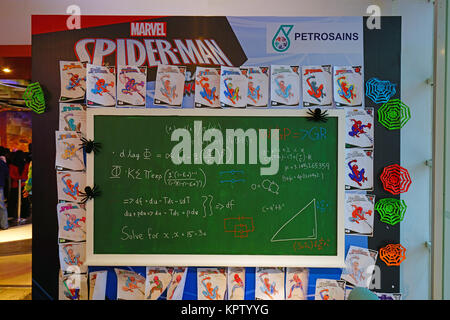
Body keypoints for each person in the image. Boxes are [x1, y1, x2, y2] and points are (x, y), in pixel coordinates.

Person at [8, 150, 30, 222]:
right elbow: (28, 174)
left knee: (14, 200)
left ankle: (12, 215)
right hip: (23, 184)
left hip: (16, 185)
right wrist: (23, 179)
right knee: (24, 200)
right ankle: (25, 215)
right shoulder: (26, 164)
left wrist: (17, 179)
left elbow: (11, 174)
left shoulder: (12, 165)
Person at [0, 148, 9, 230]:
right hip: (1, 185)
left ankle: (4, 224)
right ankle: (4, 224)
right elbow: (6, 173)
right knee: (1, 206)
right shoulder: (2, 162)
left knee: (2, 206)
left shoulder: (2, 162)